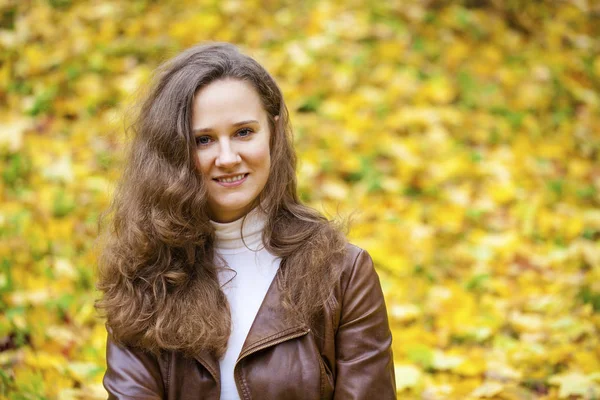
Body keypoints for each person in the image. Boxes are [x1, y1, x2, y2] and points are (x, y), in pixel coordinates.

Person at [96, 42, 396, 399]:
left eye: (243, 132)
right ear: (172, 153)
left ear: (273, 132)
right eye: (203, 140)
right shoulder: (146, 275)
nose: (227, 158)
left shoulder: (342, 273)